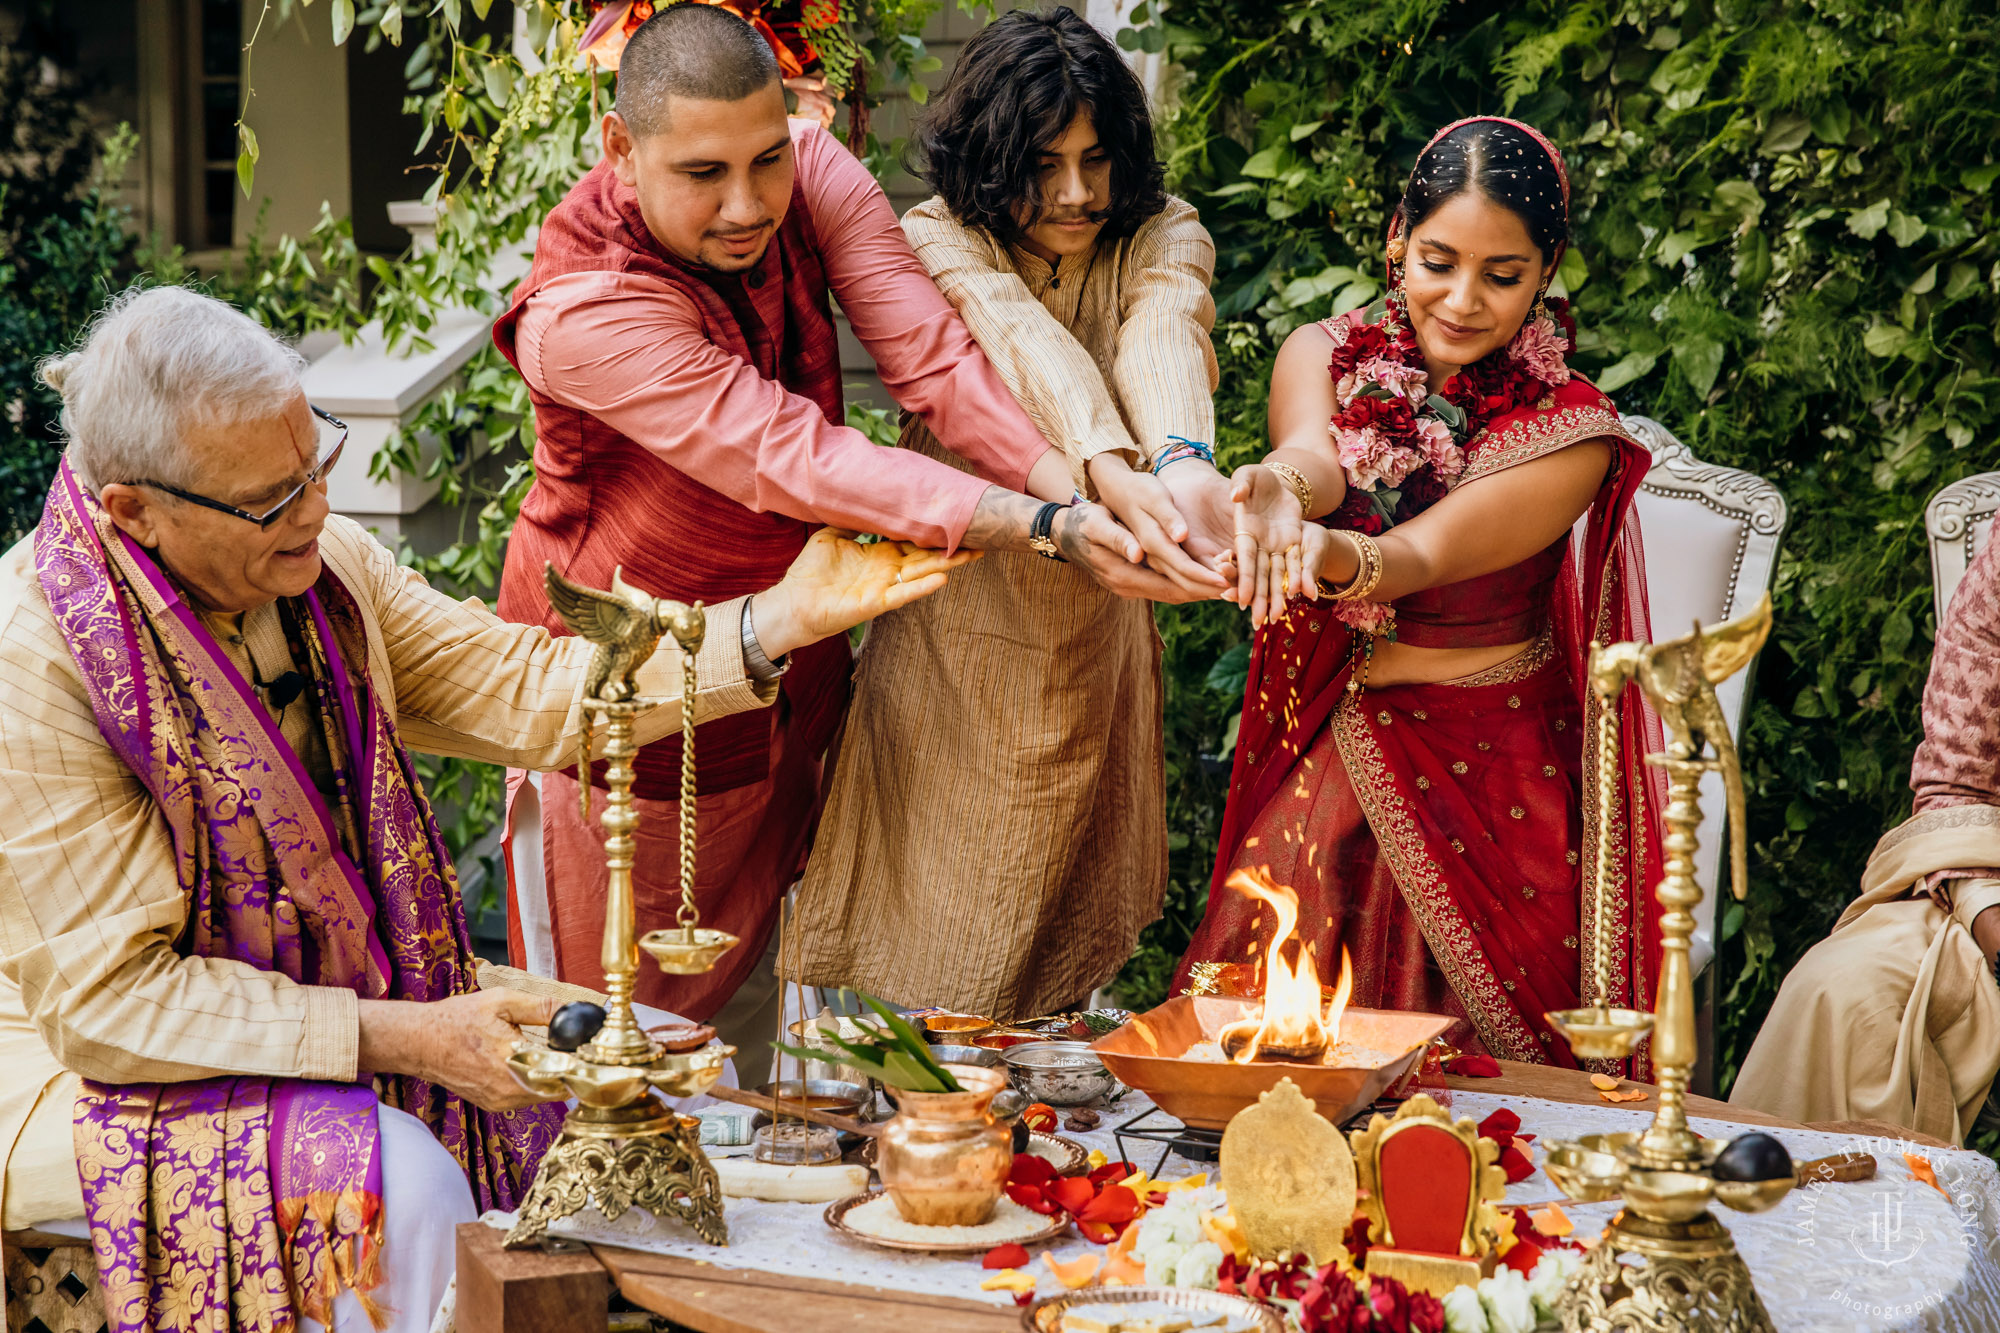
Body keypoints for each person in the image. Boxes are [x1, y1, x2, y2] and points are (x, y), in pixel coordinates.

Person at [0, 286, 971, 1332]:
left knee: (666, 1064)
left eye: (315, 464)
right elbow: (113, 1006)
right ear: (134, 511)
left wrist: (781, 619)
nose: (317, 513)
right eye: (269, 500)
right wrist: (412, 1038)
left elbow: (516, 684)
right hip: (90, 1069)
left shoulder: (323, 572)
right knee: (403, 1180)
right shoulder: (34, 659)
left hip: (358, 992)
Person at [494, 2, 1222, 1070]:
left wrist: (1083, 488)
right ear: (620, 148)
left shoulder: (813, 170)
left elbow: (929, 357)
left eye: (763, 160)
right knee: (614, 1059)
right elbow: (794, 454)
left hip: (798, 677)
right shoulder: (584, 315)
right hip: (638, 713)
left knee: (766, 1046)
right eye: (702, 174)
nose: (747, 205)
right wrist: (1048, 524)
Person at [1176, 118, 1668, 1071]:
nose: (1462, 299)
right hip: (1342, 738)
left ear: (1548, 270)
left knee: (1492, 1116)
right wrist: (1278, 486)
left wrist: (1320, 550)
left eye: (1503, 274)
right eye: (1438, 260)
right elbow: (1322, 454)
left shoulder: (1573, 433)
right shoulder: (1320, 352)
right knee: (1262, 1068)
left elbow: (1415, 558)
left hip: (1493, 778)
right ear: (1397, 235)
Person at [795, 8, 1232, 1019]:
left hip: (1096, 622)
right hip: (955, 619)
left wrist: (1181, 461)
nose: (1076, 192)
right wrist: (1112, 472)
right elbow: (1017, 337)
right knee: (931, 924)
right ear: (992, 154)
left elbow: (1161, 328)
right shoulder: (938, 236)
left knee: (1062, 944)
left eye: (1095, 159)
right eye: (1043, 163)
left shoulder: (1161, 232)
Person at [1731, 538, 2000, 1145]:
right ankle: (1826, 1233)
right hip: (1989, 876)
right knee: (1843, 990)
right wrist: (1988, 915)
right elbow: (1959, 783)